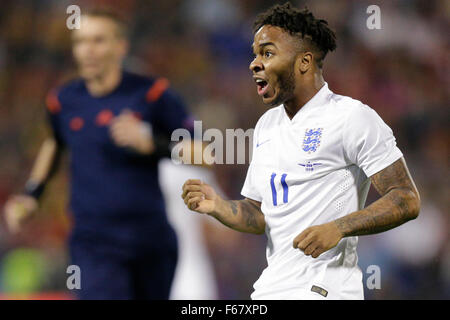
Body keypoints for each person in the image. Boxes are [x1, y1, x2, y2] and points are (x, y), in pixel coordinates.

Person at [181, 3, 421, 300]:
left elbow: (405, 198)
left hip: (325, 290)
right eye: (255, 54)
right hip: (270, 289)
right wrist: (218, 206)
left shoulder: (351, 117)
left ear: (304, 62)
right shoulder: (267, 125)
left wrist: (340, 227)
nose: (254, 64)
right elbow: (259, 215)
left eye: (267, 53)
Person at [4, 9, 195, 299]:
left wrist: (153, 144)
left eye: (98, 41)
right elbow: (56, 143)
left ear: (121, 46)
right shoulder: (63, 100)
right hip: (94, 242)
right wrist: (33, 193)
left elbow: (205, 153)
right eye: (80, 42)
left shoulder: (152, 94)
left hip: (151, 240)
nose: (88, 50)